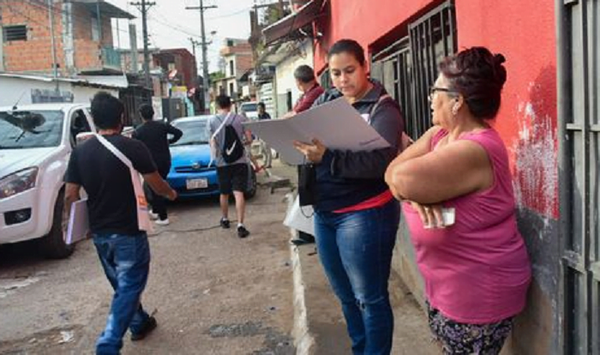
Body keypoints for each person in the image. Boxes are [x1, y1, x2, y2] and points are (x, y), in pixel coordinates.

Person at [384, 47, 531, 354]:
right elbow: (390, 173)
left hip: (477, 291)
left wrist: (412, 188)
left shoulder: (475, 149)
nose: (429, 98)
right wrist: (415, 192)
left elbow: (400, 179)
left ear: (457, 101)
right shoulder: (441, 136)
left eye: (434, 90)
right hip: (448, 287)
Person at [293, 39, 404, 355]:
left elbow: (380, 162)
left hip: (365, 214)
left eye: (350, 71)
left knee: (370, 298)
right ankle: (360, 349)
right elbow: (305, 134)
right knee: (345, 296)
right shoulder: (327, 101)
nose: (343, 80)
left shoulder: (383, 108)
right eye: (336, 73)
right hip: (327, 214)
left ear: (365, 66)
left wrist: (326, 157)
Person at [64, 92, 177, 354]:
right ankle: (109, 341)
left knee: (121, 282)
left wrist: (75, 223)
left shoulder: (80, 153)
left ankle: (138, 322)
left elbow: (70, 194)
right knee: (130, 284)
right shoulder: (133, 147)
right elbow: (155, 183)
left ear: (92, 118)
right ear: (122, 118)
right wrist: (170, 194)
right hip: (128, 230)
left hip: (100, 232)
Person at [288, 64, 325, 246]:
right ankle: (308, 232)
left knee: (308, 190)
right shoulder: (308, 94)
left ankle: (310, 234)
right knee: (305, 190)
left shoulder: (314, 94)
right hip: (307, 149)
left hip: (314, 151)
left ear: (298, 82)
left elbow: (295, 114)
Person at [208, 94, 253, 238]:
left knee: (224, 193)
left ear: (217, 105)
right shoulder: (241, 119)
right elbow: (249, 139)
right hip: (240, 161)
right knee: (238, 192)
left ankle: (225, 219)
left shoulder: (211, 120)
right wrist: (240, 144)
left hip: (222, 163)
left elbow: (212, 143)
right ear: (230, 104)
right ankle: (240, 225)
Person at [132, 104, 183, 225]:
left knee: (155, 188)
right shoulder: (162, 126)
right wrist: (169, 141)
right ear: (153, 113)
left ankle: (163, 217)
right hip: (165, 161)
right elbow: (179, 133)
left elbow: (135, 147)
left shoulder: (138, 131)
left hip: (150, 163)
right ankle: (155, 211)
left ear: (141, 115)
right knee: (156, 185)